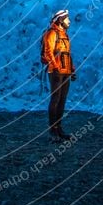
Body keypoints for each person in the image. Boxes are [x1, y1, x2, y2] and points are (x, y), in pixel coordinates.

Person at [41, 9, 77, 141]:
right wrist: (55, 67)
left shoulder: (65, 35)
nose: (69, 21)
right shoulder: (51, 34)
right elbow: (48, 52)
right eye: (67, 19)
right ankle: (53, 130)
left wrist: (71, 70)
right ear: (61, 20)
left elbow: (67, 54)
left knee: (62, 99)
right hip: (56, 72)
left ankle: (59, 128)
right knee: (56, 99)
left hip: (65, 71)